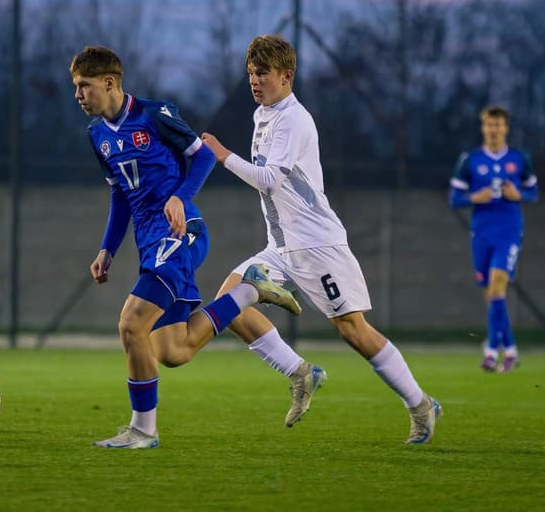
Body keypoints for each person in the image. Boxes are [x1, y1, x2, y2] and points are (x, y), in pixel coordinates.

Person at [201, 34, 441, 444]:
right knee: (230, 304)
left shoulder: (294, 119)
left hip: (315, 245)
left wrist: (221, 154)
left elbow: (269, 179)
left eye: (262, 74)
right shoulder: (264, 115)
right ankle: (300, 372)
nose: (254, 81)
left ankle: (420, 405)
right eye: (250, 73)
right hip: (280, 247)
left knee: (352, 330)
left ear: (286, 76)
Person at [70, 45, 302, 449]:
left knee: (130, 324)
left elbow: (203, 158)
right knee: (173, 351)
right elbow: (121, 196)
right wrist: (107, 249)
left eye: (83, 85)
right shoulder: (97, 136)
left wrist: (179, 197)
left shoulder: (154, 115)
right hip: (150, 243)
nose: (78, 95)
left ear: (108, 83)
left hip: (180, 233)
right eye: (76, 87)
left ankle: (143, 431)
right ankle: (249, 289)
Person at [449, 106, 538, 372]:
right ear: (483, 128)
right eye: (490, 125)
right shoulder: (471, 160)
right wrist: (474, 198)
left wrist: (518, 194)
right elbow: (454, 199)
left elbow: (533, 192)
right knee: (491, 295)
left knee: (498, 287)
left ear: (506, 128)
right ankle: (510, 351)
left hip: (509, 231)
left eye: (499, 125)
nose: (494, 130)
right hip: (481, 233)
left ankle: (490, 352)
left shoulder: (519, 158)